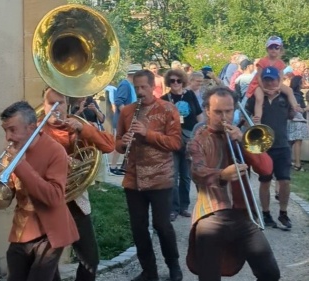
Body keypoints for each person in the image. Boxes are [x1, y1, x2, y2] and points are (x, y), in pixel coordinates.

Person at [186, 86, 280, 281]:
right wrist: (222, 174)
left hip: (243, 214)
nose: (224, 117)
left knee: (270, 273)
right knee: (209, 277)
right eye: (218, 112)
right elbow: (197, 172)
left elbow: (266, 169)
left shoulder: (242, 136)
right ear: (206, 110)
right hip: (211, 216)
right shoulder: (197, 141)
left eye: (228, 111)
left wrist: (245, 144)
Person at [0, 101, 79, 281]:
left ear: (31, 127)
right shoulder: (14, 152)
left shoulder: (55, 151)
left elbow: (54, 197)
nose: (8, 137)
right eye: (5, 131)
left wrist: (20, 165)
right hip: (21, 229)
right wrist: (1, 185)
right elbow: (3, 201)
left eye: (12, 130)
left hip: (49, 231)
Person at [116, 70, 183, 281]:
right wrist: (122, 143)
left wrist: (148, 133)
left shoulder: (167, 109)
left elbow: (175, 143)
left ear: (153, 86)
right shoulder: (127, 111)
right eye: (136, 88)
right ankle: (149, 271)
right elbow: (117, 144)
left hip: (160, 177)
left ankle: (174, 266)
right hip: (133, 179)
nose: (139, 91)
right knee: (138, 227)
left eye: (144, 87)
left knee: (162, 225)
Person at [42, 87, 115, 281]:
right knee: (47, 261)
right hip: (47, 203)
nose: (56, 108)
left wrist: (84, 129)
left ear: (68, 104)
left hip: (75, 200)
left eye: (61, 103)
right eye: (51, 103)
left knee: (90, 258)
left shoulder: (79, 126)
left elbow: (109, 146)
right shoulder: (36, 130)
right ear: (43, 105)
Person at [245, 66, 295, 230]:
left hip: (282, 144)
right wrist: (251, 121)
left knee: (285, 180)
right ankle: (266, 214)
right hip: (263, 146)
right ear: (263, 80)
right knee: (265, 181)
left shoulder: (285, 95)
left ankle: (283, 213)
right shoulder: (256, 96)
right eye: (266, 79)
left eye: (272, 79)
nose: (270, 82)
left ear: (278, 79)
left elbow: (292, 114)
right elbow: (245, 118)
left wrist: (296, 109)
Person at [161, 69, 204, 221]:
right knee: (173, 176)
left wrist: (202, 132)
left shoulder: (190, 95)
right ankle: (174, 208)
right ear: (168, 82)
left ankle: (184, 207)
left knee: (186, 176)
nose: (176, 84)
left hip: (189, 138)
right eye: (172, 81)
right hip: (172, 140)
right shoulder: (164, 99)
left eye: (178, 81)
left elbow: (199, 114)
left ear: (183, 81)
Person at [246, 36, 301, 123]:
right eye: (271, 47)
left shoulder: (280, 63)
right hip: (260, 83)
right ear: (267, 49)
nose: (274, 50)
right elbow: (258, 76)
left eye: (276, 48)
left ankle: (296, 108)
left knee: (289, 90)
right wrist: (263, 88)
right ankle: (258, 118)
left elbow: (281, 76)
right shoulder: (262, 61)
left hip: (275, 82)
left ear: (280, 50)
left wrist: (278, 87)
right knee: (259, 98)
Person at [111, 63, 142, 175]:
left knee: (128, 142)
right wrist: (128, 116)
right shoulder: (125, 85)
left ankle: (125, 165)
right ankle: (113, 166)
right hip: (122, 119)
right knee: (121, 142)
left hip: (128, 118)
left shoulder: (131, 85)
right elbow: (119, 101)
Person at [287, 76, 309, 171]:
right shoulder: (296, 95)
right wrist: (306, 108)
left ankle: (287, 161)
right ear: (299, 83)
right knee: (297, 142)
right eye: (302, 82)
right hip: (297, 121)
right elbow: (298, 109)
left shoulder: (294, 94)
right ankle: (297, 164)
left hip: (293, 121)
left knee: (290, 142)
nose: (304, 83)